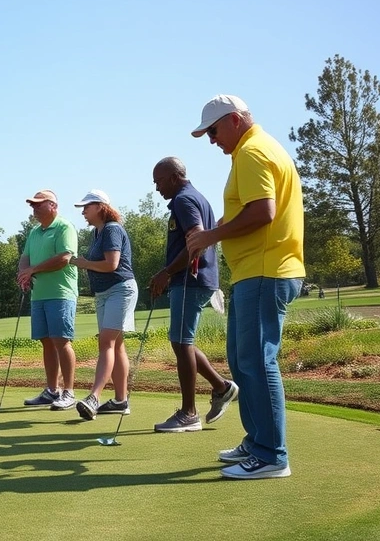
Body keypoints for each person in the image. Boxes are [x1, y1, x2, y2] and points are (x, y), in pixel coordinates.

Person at [187, 94, 305, 479]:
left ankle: (272, 456)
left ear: (235, 120)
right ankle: (257, 441)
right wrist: (215, 233)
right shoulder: (251, 151)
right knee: (242, 362)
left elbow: (263, 212)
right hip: (255, 272)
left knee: (258, 361)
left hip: (266, 270)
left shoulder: (253, 152)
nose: (212, 140)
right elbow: (245, 210)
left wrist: (211, 237)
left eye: (214, 131)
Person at [149, 157, 238, 432]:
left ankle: (189, 413)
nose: (157, 188)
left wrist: (166, 272)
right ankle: (221, 387)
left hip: (190, 279)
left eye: (159, 181)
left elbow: (196, 241)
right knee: (181, 342)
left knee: (181, 342)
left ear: (174, 177)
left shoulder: (183, 200)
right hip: (199, 279)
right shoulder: (196, 197)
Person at [70, 190, 138, 421]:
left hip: (120, 288)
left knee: (106, 342)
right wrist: (85, 263)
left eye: (86, 207)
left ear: (100, 207)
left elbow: (112, 264)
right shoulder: (97, 233)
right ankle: (120, 400)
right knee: (116, 345)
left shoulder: (111, 229)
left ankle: (94, 397)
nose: (83, 212)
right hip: (104, 293)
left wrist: (84, 263)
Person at [16, 190, 79, 411]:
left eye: (38, 205)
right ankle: (52, 390)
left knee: (61, 340)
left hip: (61, 292)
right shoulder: (34, 232)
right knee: (46, 341)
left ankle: (69, 392)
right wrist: (24, 273)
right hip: (39, 294)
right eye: (33, 206)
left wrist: (34, 269)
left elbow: (64, 258)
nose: (34, 209)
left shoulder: (64, 227)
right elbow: (25, 258)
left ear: (52, 205)